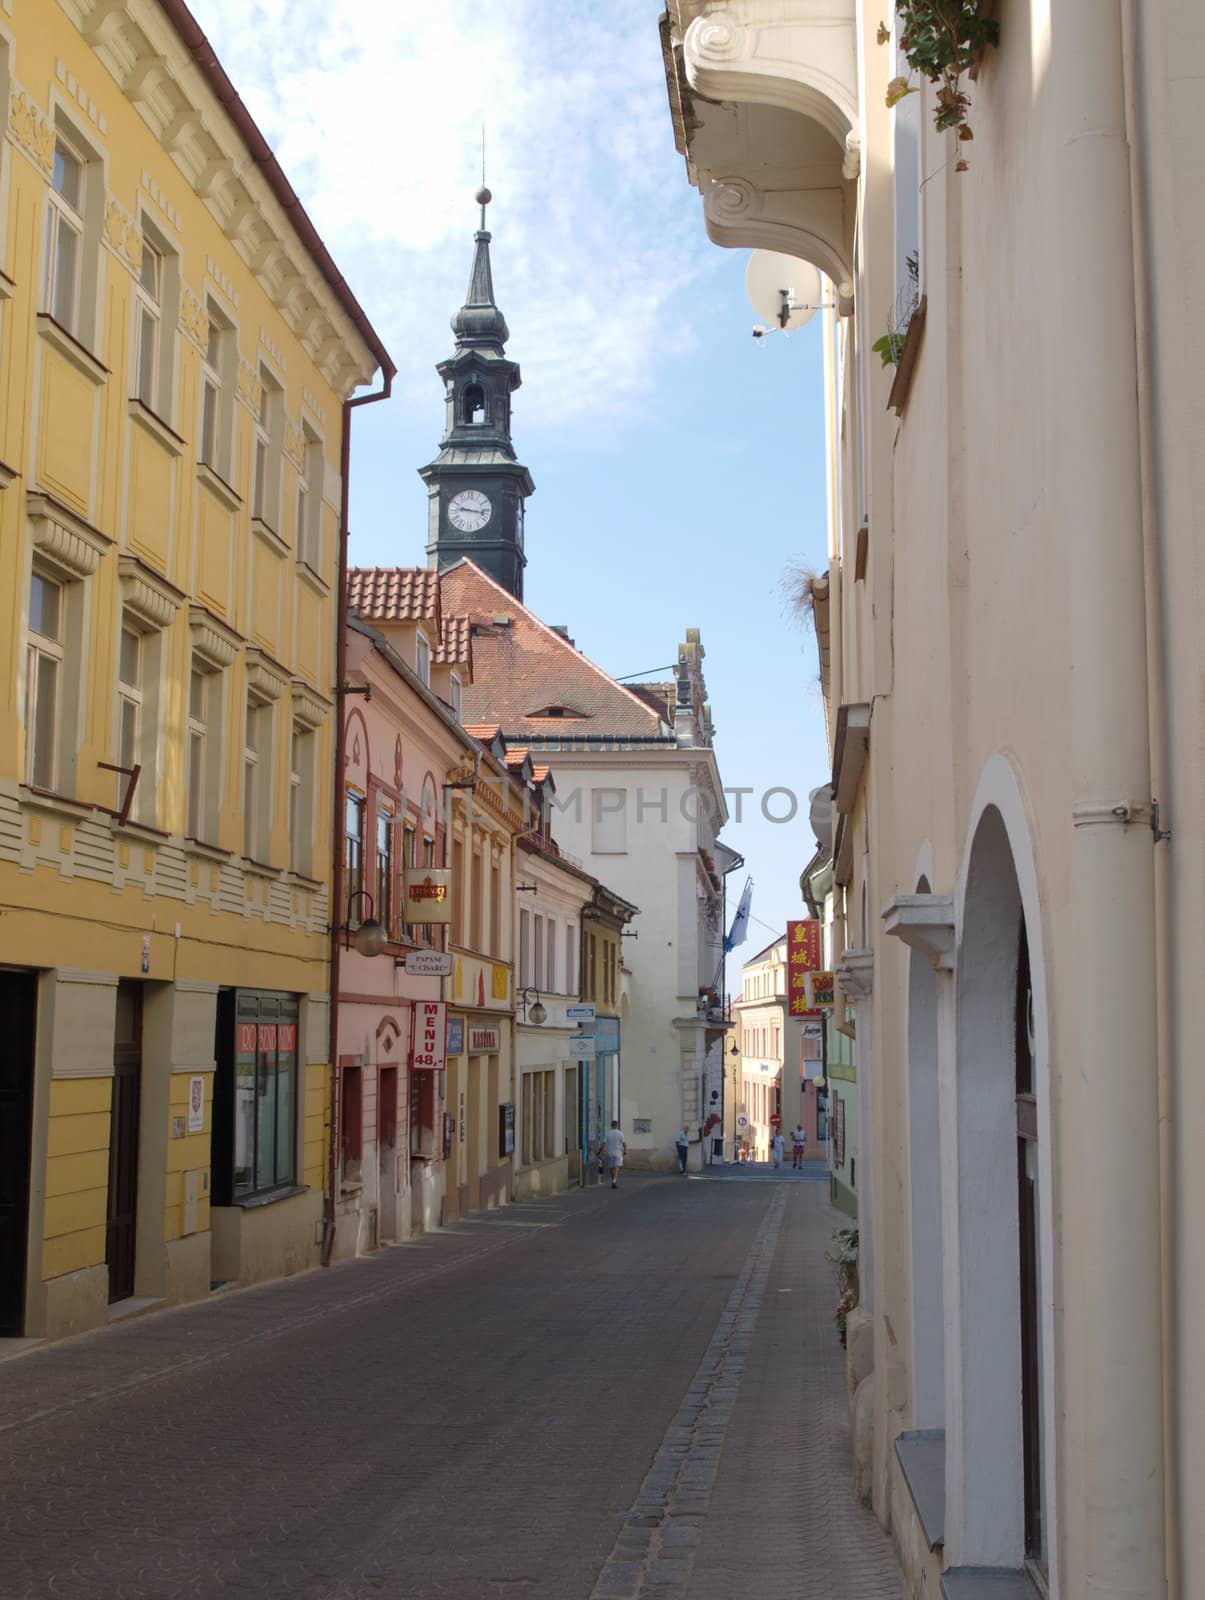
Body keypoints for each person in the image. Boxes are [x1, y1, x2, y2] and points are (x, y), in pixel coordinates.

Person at [603, 1120, 626, 1189]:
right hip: (618, 1152)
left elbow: (604, 1143)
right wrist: (625, 1151)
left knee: (611, 1167)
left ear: (611, 1125)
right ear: (617, 1125)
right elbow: (624, 1143)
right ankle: (614, 1181)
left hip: (609, 1152)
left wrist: (603, 1150)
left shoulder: (607, 1133)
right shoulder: (620, 1133)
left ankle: (613, 1180)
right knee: (616, 1167)